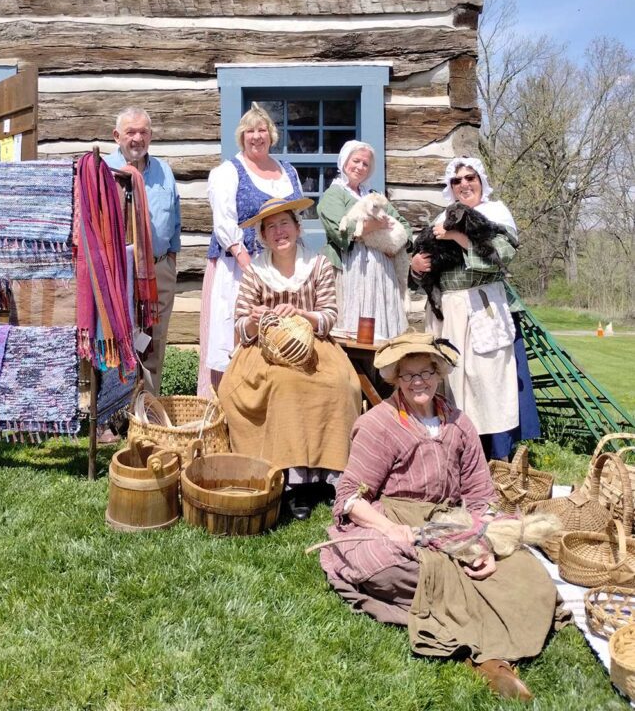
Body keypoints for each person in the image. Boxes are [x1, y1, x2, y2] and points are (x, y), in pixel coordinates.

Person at [319, 333, 567, 702]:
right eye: (408, 375)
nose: (418, 382)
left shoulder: (459, 424)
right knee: (381, 566)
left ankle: (481, 649)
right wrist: (391, 529)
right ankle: (487, 649)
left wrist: (480, 544)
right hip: (396, 522)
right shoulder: (378, 424)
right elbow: (350, 496)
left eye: (426, 372)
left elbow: (481, 496)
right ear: (395, 379)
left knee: (529, 574)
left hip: (450, 527)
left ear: (439, 374)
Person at [218, 197, 362, 520]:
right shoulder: (256, 270)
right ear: (264, 237)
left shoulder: (318, 264)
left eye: (285, 224)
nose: (279, 232)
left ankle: (330, 476)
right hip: (265, 351)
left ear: (298, 228)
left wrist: (301, 314)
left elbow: (329, 317)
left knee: (340, 384)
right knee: (284, 384)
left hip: (314, 345)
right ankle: (293, 485)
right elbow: (240, 325)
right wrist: (257, 320)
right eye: (271, 228)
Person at [408, 156, 540, 456]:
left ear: (481, 181)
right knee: (453, 383)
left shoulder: (494, 214)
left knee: (490, 384)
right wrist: (416, 267)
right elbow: (419, 279)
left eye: (470, 178)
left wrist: (457, 236)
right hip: (448, 311)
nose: (464, 184)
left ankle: (497, 459)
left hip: (483, 306)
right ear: (450, 187)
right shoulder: (439, 220)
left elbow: (501, 258)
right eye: (457, 181)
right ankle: (458, 454)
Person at [197, 103, 303, 397]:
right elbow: (224, 222)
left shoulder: (288, 171)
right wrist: (251, 268)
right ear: (241, 136)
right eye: (250, 131)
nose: (257, 136)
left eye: (262, 130)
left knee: (280, 333)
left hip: (282, 267)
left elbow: (295, 217)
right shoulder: (227, 172)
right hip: (239, 269)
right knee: (236, 334)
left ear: (272, 135)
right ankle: (229, 408)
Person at [105, 106, 180, 396]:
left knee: (153, 340)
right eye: (130, 132)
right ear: (117, 136)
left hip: (158, 270)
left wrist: (170, 257)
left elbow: (175, 218)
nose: (137, 138)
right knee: (116, 338)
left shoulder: (163, 170)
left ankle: (148, 409)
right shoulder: (104, 170)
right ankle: (113, 414)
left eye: (143, 132)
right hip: (118, 271)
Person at [317, 140, 411, 340]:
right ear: (344, 162)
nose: (360, 167)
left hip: (382, 269)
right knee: (354, 325)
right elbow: (340, 231)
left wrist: (397, 245)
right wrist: (375, 226)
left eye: (365, 164)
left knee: (382, 323)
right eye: (356, 161)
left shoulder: (373, 196)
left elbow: (403, 223)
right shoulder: (334, 194)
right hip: (352, 267)